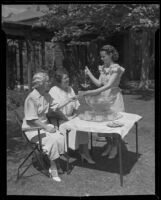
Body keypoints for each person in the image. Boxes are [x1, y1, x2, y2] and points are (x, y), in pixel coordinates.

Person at [78, 45, 125, 159]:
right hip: (104, 98)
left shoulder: (116, 68)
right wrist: (89, 74)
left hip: (114, 98)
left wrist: (92, 92)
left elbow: (109, 85)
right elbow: (99, 84)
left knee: (115, 124)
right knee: (105, 122)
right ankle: (109, 144)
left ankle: (115, 146)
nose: (102, 58)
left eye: (104, 56)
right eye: (101, 56)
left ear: (110, 55)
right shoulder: (103, 68)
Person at [22, 71, 65, 182]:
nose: (49, 83)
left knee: (60, 137)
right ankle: (54, 167)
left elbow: (56, 106)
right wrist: (46, 128)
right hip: (32, 128)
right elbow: (32, 119)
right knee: (52, 140)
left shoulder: (46, 95)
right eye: (46, 81)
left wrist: (70, 100)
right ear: (40, 84)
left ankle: (52, 161)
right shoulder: (31, 98)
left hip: (44, 126)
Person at [49, 68, 95, 164]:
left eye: (68, 77)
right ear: (59, 80)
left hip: (70, 118)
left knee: (83, 125)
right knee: (77, 128)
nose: (68, 79)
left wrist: (76, 115)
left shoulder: (70, 89)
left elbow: (76, 105)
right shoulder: (53, 91)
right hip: (59, 120)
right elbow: (54, 111)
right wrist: (67, 118)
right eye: (65, 78)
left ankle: (84, 152)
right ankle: (80, 151)